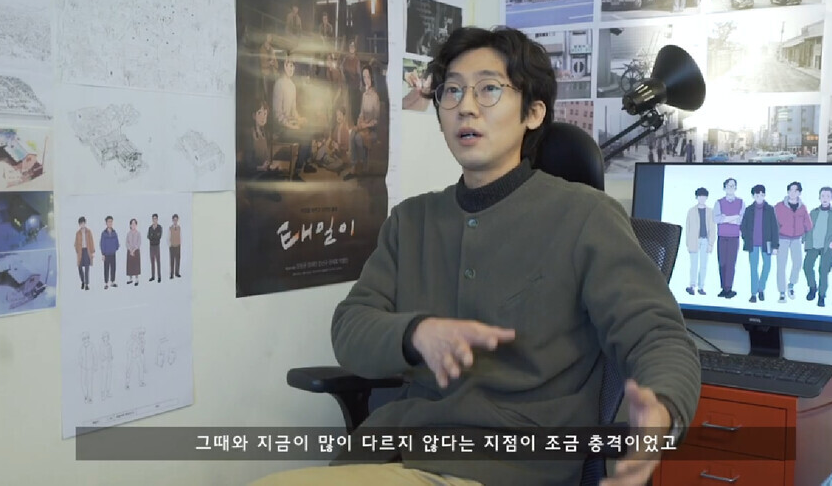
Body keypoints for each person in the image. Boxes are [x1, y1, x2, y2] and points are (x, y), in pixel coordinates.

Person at [252, 26, 699, 486]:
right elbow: (350, 328)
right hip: (397, 451)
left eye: (488, 89)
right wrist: (415, 333)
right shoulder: (412, 220)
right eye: (452, 91)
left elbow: (658, 335)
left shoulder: (586, 217)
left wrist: (661, 411)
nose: (466, 106)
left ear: (533, 113)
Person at [773, 182, 813, 303]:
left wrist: (804, 235)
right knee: (781, 265)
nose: (793, 193)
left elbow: (809, 225)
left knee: (797, 263)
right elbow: (773, 225)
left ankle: (791, 285)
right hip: (782, 238)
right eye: (790, 190)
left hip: (796, 239)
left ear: (799, 193)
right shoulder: (779, 206)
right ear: (787, 191)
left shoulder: (803, 207)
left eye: (795, 191)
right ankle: (782, 292)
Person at [803, 187, 832, 307]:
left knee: (823, 271)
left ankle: (821, 296)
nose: (825, 198)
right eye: (823, 196)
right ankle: (812, 287)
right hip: (813, 245)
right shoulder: (813, 212)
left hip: (827, 246)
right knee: (807, 266)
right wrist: (804, 239)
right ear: (819, 197)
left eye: (828, 196)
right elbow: (807, 227)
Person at [740, 185, 779, 303]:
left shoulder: (770, 209)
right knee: (753, 268)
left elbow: (774, 228)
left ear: (764, 195)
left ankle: (761, 288)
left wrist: (775, 246)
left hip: (767, 243)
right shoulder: (749, 209)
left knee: (767, 266)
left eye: (762, 195)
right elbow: (743, 226)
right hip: (752, 244)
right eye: (757, 195)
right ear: (753, 196)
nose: (759, 197)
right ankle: (753, 293)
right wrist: (746, 238)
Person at [345, 65, 380, 180]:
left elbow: (376, 120)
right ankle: (353, 166)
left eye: (368, 77)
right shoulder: (364, 95)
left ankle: (363, 165)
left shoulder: (375, 97)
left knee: (358, 138)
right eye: (364, 77)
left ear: (372, 78)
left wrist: (366, 125)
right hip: (363, 127)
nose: (366, 80)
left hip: (371, 130)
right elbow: (361, 113)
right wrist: (359, 122)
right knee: (352, 134)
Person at [713, 177, 745, 299]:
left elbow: (741, 220)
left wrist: (725, 218)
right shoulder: (719, 202)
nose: (730, 188)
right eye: (728, 186)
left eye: (732, 186)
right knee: (722, 263)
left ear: (735, 188)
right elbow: (716, 219)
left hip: (734, 237)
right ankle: (723, 288)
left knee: (731, 263)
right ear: (724, 188)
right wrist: (734, 217)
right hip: (722, 236)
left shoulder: (741, 202)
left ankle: (728, 288)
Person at [685, 187, 716, 296]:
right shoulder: (691, 211)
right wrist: (688, 242)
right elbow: (687, 227)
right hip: (694, 240)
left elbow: (712, 228)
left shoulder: (710, 211)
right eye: (700, 196)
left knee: (703, 265)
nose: (702, 198)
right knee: (693, 265)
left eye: (704, 196)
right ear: (696, 197)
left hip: (705, 240)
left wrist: (711, 243)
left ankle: (701, 287)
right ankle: (692, 286)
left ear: (706, 198)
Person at [74, 216, 95, 291]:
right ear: (79, 224)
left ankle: (86, 284)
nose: (82, 224)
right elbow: (75, 243)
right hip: (80, 251)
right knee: (79, 267)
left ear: (85, 223)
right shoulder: (78, 233)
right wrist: (77, 250)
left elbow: (91, 241)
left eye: (83, 223)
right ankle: (83, 281)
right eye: (81, 223)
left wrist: (92, 252)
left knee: (87, 267)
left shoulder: (88, 231)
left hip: (87, 250)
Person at [100, 215, 119, 290]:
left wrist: (115, 248)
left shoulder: (114, 232)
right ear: (106, 223)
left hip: (113, 254)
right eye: (108, 222)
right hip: (106, 254)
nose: (110, 223)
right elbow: (102, 244)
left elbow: (117, 242)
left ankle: (112, 282)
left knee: (113, 268)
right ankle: (106, 283)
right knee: (106, 269)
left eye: (111, 221)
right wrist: (103, 254)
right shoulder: (104, 233)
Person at [147, 214, 162, 283]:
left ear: (157, 219)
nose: (154, 220)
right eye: (153, 218)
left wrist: (152, 235)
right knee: (152, 262)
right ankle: (153, 276)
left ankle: (159, 277)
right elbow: (148, 236)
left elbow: (159, 236)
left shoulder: (159, 227)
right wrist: (154, 236)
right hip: (151, 246)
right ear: (152, 219)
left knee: (158, 262)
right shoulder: (150, 228)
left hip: (157, 246)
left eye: (155, 218)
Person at [126, 218, 141, 286]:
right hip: (129, 251)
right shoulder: (128, 233)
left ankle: (137, 279)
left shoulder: (138, 233)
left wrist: (134, 250)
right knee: (130, 265)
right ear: (130, 225)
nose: (133, 225)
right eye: (132, 224)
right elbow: (127, 242)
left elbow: (139, 243)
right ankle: (130, 279)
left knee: (136, 265)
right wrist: (130, 249)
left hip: (136, 251)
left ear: (136, 225)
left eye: (134, 223)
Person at [169, 214, 182, 279]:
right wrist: (170, 245)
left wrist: (180, 243)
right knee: (172, 260)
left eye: (176, 220)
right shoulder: (170, 228)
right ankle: (171, 274)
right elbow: (168, 237)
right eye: (174, 220)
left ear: (177, 220)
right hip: (172, 246)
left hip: (178, 246)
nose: (175, 221)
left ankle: (177, 273)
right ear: (172, 220)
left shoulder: (179, 228)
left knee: (178, 260)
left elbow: (181, 236)